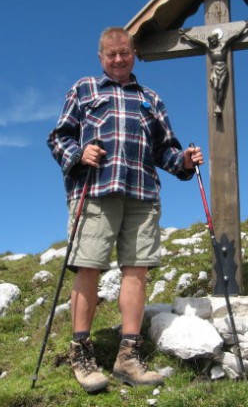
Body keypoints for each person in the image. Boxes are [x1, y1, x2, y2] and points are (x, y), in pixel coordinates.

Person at [47, 27, 204, 393]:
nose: (118, 59)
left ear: (134, 54)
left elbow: (165, 150)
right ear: (101, 57)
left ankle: (128, 357)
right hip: (96, 190)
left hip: (142, 193)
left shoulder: (151, 99)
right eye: (111, 54)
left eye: (124, 53)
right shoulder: (84, 89)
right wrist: (78, 153)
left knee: (137, 270)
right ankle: (81, 353)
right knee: (89, 266)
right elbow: (59, 136)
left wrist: (184, 160)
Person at [178, 21, 248, 116]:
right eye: (210, 41)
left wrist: (245, 28)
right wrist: (185, 34)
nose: (212, 42)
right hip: (214, 69)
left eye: (213, 40)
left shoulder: (224, 44)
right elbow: (196, 41)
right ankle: (217, 106)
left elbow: (235, 36)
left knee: (220, 87)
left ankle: (218, 105)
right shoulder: (209, 48)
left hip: (223, 68)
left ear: (217, 39)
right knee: (215, 87)